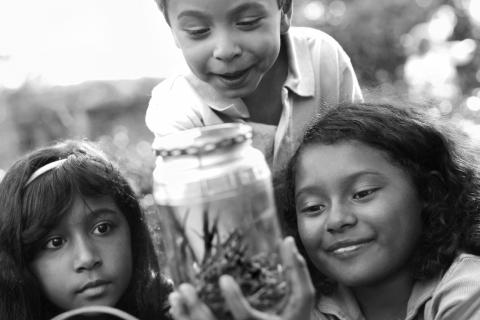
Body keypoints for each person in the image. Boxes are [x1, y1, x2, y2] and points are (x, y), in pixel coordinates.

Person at [284, 101, 480, 319]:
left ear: (428, 191)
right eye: (313, 207)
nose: (337, 220)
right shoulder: (301, 305)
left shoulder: (470, 289)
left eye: (362, 193)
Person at [146, 0, 363, 177]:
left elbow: (363, 158)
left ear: (284, 10)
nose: (225, 50)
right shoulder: (175, 107)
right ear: (173, 31)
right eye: (198, 30)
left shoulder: (322, 58)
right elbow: (198, 214)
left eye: (247, 22)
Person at [0, 140, 173, 320]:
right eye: (55, 242)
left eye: (102, 229)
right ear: (21, 262)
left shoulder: (184, 309)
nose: (87, 259)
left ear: (131, 228)